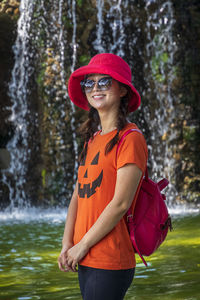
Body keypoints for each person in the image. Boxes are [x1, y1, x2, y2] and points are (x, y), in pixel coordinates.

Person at [58, 53, 148, 300]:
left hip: (109, 257)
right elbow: (78, 195)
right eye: (90, 82)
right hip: (83, 255)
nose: (95, 88)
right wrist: (68, 243)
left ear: (122, 90)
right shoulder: (93, 139)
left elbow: (120, 203)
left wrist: (83, 245)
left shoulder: (131, 139)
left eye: (105, 81)